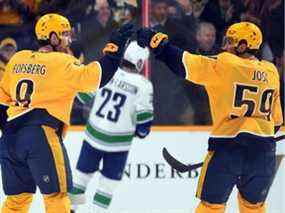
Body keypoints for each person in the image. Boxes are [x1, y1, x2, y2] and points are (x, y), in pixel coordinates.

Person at [136, 21, 283, 213]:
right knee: (253, 207)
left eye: (231, 42)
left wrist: (156, 42)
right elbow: (277, 123)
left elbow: (184, 63)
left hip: (228, 151)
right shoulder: (271, 72)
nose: (226, 46)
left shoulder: (225, 64)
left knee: (211, 207)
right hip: (263, 155)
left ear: (244, 45)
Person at [0, 13, 133, 213]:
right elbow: (94, 79)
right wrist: (115, 49)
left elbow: (2, 100)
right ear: (52, 37)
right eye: (64, 34)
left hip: (9, 138)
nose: (68, 39)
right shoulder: (62, 61)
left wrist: (10, 132)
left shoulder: (18, 59)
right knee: (57, 197)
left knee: (16, 202)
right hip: (41, 134)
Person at [68, 41, 154, 213]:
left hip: (93, 136)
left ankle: (70, 210)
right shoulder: (143, 85)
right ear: (139, 63)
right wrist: (139, 131)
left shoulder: (107, 71)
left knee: (80, 180)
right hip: (118, 144)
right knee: (107, 187)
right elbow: (144, 126)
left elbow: (83, 97)